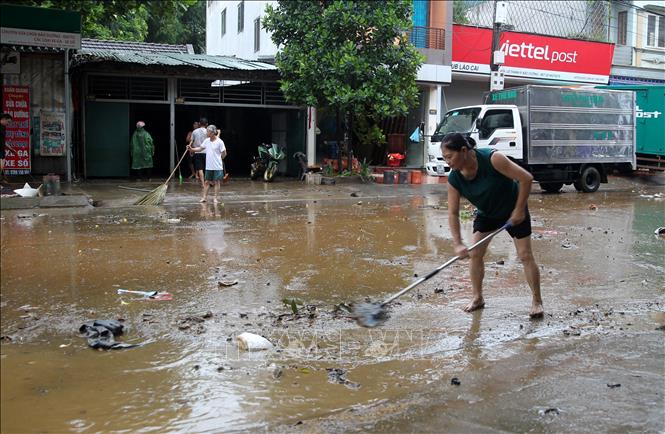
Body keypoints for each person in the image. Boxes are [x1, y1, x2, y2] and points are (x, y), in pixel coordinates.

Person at [442, 132, 544, 318]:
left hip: (513, 210)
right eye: (445, 158)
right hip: (487, 213)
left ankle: (537, 301)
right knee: (475, 253)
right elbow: (453, 212)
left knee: (525, 255)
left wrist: (519, 210)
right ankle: (477, 297)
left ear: (464, 151)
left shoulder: (493, 159)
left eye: (450, 157)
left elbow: (526, 178)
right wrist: (457, 243)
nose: (447, 162)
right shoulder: (454, 179)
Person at [188, 124, 226, 205]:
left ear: (212, 133)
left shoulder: (220, 142)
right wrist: (192, 149)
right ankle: (204, 198)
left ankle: (215, 198)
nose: (206, 133)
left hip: (217, 166)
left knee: (216, 182)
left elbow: (224, 153)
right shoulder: (207, 140)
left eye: (208, 131)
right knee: (207, 182)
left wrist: (220, 159)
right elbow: (200, 148)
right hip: (209, 166)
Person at [190, 118, 209, 188]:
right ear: (207, 124)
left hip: (197, 152)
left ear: (199, 124)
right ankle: (209, 182)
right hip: (207, 152)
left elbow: (191, 141)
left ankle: (203, 184)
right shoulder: (208, 131)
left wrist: (190, 149)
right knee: (207, 168)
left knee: (200, 168)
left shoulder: (194, 131)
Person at [1, 113, 12, 183]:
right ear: (4, 119)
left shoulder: (3, 127)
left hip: (1, 150)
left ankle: (2, 179)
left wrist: (10, 148)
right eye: (8, 122)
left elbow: (3, 140)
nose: (8, 124)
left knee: (2, 166)